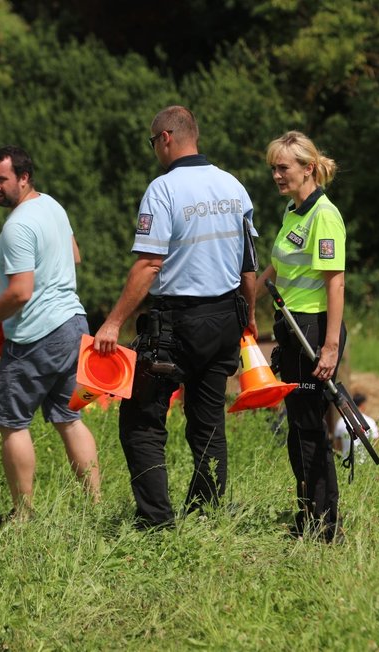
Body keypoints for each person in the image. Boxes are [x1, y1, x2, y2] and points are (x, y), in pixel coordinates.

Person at [93, 105, 257, 529]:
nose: (154, 150)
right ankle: (205, 513)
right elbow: (248, 266)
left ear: (166, 137)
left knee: (141, 421)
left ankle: (156, 520)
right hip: (225, 318)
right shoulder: (234, 187)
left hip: (176, 326)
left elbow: (149, 264)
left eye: (153, 142)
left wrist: (112, 322)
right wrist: (249, 319)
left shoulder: (163, 190)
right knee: (207, 424)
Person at [0, 145, 100, 518]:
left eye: (2, 179)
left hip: (36, 335)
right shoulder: (52, 206)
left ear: (24, 177)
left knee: (12, 423)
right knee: (69, 419)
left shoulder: (18, 225)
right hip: (72, 325)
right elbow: (75, 256)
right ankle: (94, 506)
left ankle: (23, 513)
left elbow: (20, 292)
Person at [255, 130, 346, 542]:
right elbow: (278, 265)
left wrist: (329, 347)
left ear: (308, 169)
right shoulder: (293, 213)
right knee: (297, 427)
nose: (276, 174)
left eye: (283, 167)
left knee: (311, 429)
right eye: (273, 167)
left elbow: (335, 283)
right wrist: (250, 294)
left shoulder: (323, 215)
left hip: (314, 329)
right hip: (289, 330)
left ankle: (327, 528)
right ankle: (307, 516)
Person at [331, 393, 379, 463]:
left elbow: (337, 445)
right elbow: (376, 444)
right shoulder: (370, 422)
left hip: (346, 462)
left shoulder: (341, 421)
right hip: (366, 464)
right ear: (363, 405)